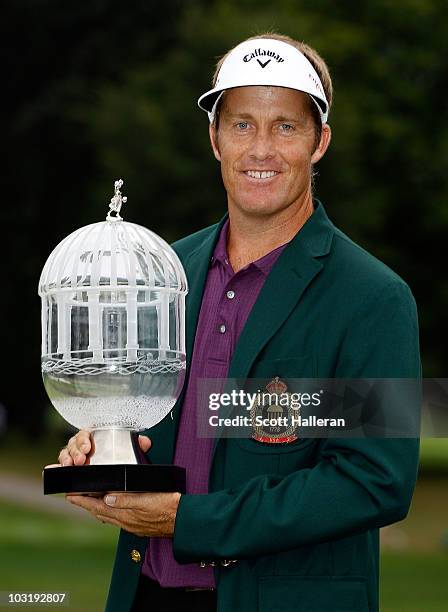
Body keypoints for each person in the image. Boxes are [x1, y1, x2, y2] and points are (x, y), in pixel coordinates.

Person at [60, 33, 421, 612]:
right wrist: (109, 443)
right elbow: (154, 418)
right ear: (214, 138)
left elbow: (375, 481)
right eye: (242, 124)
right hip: (146, 595)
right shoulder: (163, 272)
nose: (261, 149)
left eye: (285, 126)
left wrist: (189, 519)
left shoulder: (375, 297)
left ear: (319, 141)